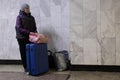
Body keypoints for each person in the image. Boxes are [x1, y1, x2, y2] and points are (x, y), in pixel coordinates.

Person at [15, 3, 37, 72]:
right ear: (23, 9)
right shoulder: (19, 17)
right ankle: (26, 68)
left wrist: (35, 33)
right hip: (21, 38)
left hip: (30, 37)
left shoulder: (32, 17)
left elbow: (34, 27)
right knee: (24, 53)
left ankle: (31, 67)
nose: (28, 9)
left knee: (31, 53)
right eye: (27, 8)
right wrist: (29, 32)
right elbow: (19, 28)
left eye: (28, 8)